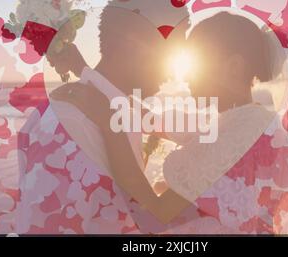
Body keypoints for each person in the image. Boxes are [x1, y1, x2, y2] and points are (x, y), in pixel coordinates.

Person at [86, 11, 288, 234]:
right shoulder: (250, 121)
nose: (184, 77)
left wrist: (111, 134)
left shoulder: (235, 135)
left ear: (233, 67)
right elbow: (160, 121)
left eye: (197, 65)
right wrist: (92, 80)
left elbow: (156, 213)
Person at [16, 1, 191, 234]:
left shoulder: (111, 111)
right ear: (133, 43)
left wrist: (85, 71)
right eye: (172, 50)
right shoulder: (73, 125)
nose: (173, 73)